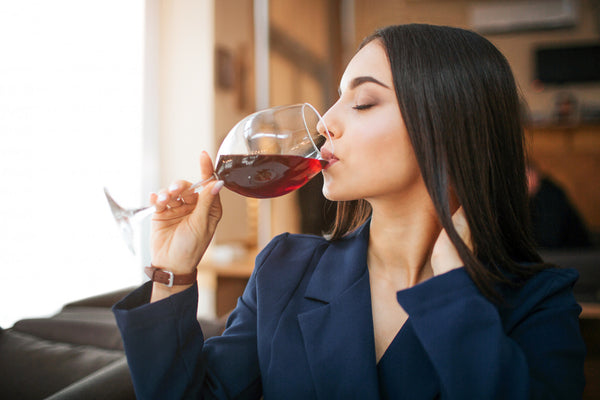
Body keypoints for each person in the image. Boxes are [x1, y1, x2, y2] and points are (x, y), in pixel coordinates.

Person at [113, 24, 586, 399]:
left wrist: (450, 290)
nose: (326, 122)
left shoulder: (537, 302)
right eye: (338, 98)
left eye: (362, 102)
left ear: (447, 126)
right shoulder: (286, 268)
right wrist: (171, 273)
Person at [526, 161, 592, 248]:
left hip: (576, 255)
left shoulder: (549, 195)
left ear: (534, 175)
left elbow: (548, 239)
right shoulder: (532, 198)